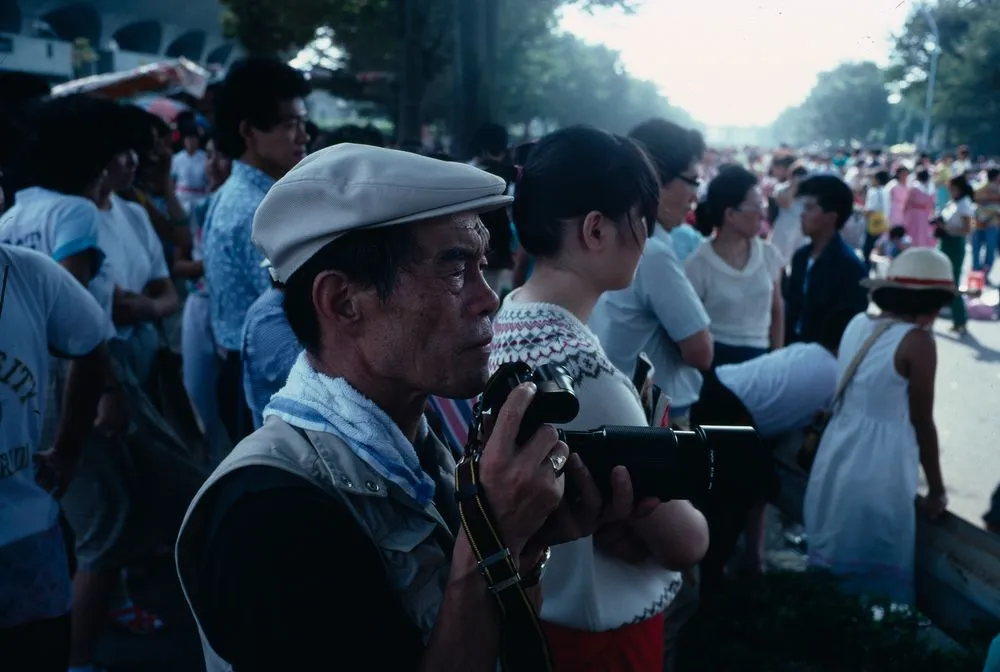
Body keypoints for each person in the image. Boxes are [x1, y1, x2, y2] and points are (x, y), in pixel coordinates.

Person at [176, 143, 647, 671]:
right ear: (342, 302)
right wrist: (490, 538)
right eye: (455, 270)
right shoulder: (264, 513)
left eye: (482, 265)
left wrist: (525, 545)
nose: (488, 297)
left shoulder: (419, 445)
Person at [491, 125, 709, 671]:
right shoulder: (587, 378)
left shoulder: (509, 314)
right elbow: (684, 542)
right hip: (601, 640)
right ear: (595, 229)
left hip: (538, 616)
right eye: (642, 219)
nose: (648, 236)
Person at [804, 247, 951, 605]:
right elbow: (922, 421)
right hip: (879, 469)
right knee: (872, 585)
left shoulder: (858, 323)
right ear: (932, 302)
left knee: (832, 570)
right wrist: (935, 489)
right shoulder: (918, 342)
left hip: (836, 456)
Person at [0, 244, 118, 672]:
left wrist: (68, 451)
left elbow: (92, 347)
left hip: (26, 537)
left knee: (37, 654)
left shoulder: (31, 274)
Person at [202, 56, 310, 444]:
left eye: (302, 123)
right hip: (264, 378)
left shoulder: (245, 194)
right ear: (249, 131)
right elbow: (289, 312)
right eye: (289, 125)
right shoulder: (256, 210)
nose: (303, 136)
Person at [589, 117, 712, 428]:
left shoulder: (601, 235)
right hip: (653, 419)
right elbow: (702, 352)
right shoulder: (651, 251)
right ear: (654, 178)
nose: (694, 197)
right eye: (692, 181)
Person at [684, 166, 785, 366]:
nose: (763, 215)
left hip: (761, 360)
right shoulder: (697, 264)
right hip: (716, 363)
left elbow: (777, 309)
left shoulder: (768, 254)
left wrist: (777, 360)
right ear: (730, 214)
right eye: (757, 207)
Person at [784, 175, 869, 346]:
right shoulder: (801, 257)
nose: (802, 214)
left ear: (831, 217)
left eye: (809, 208)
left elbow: (847, 327)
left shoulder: (849, 267)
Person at [936, 174, 975, 334]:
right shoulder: (953, 202)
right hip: (946, 241)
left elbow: (966, 229)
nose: (950, 191)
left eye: (952, 188)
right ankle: (952, 315)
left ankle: (960, 318)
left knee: (952, 282)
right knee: (943, 280)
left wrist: (947, 229)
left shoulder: (964, 204)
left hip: (955, 244)